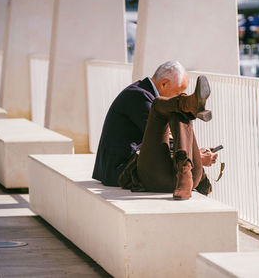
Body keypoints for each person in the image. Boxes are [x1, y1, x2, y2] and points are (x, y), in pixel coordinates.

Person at [92, 61, 217, 200]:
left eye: (183, 95)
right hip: (122, 172)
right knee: (162, 106)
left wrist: (195, 155)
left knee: (175, 109)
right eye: (179, 93)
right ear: (163, 84)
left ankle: (187, 106)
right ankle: (188, 104)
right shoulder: (138, 96)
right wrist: (197, 157)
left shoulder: (141, 93)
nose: (180, 94)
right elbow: (165, 139)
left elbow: (165, 140)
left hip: (165, 174)